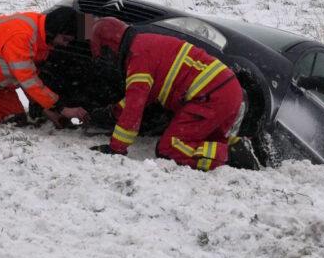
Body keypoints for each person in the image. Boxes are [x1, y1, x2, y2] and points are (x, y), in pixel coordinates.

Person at [87, 17, 245, 171]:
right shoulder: (144, 44)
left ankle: (231, 155)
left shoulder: (138, 58)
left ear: (110, 47)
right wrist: (110, 114)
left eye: (105, 55)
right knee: (204, 141)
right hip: (227, 90)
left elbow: (134, 108)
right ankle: (238, 147)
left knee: (169, 148)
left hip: (212, 96)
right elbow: (139, 98)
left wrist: (116, 148)